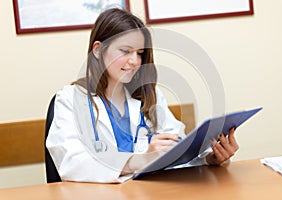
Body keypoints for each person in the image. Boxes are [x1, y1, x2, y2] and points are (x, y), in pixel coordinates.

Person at [46, 8, 239, 183]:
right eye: (125, 51)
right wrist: (137, 161)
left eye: (139, 53)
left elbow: (177, 146)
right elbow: (71, 160)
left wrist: (209, 158)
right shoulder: (71, 99)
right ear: (98, 50)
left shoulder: (148, 95)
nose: (134, 61)